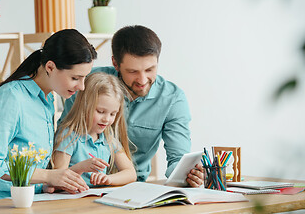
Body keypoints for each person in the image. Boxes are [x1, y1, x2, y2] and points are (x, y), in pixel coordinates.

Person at [59, 25, 204, 187]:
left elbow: (177, 159)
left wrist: (189, 174)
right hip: (79, 185)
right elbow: (64, 133)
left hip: (133, 185)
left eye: (150, 69)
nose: (142, 80)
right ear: (115, 63)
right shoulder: (88, 84)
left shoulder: (173, 99)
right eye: (133, 71)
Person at [0, 29, 97, 203]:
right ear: (50, 67)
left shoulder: (48, 98)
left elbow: (27, 170)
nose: (81, 86)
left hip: (29, 202)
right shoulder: (11, 97)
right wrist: (48, 176)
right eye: (75, 78)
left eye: (84, 78)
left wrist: (49, 183)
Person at [52, 72, 136, 187]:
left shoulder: (108, 137)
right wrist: (81, 167)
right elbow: (55, 180)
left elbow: (131, 173)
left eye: (113, 114)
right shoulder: (68, 136)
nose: (107, 119)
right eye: (101, 112)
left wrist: (108, 179)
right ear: (85, 105)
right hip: (71, 201)